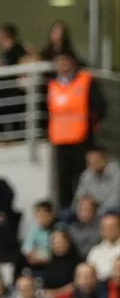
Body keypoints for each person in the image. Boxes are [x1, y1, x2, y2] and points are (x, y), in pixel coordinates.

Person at [48, 50, 108, 209]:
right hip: (60, 139)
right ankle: (66, 212)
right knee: (63, 181)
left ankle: (85, 210)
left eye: (65, 61)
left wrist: (93, 123)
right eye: (59, 62)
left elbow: (99, 105)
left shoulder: (86, 80)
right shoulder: (53, 85)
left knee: (82, 178)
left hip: (82, 137)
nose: (62, 65)